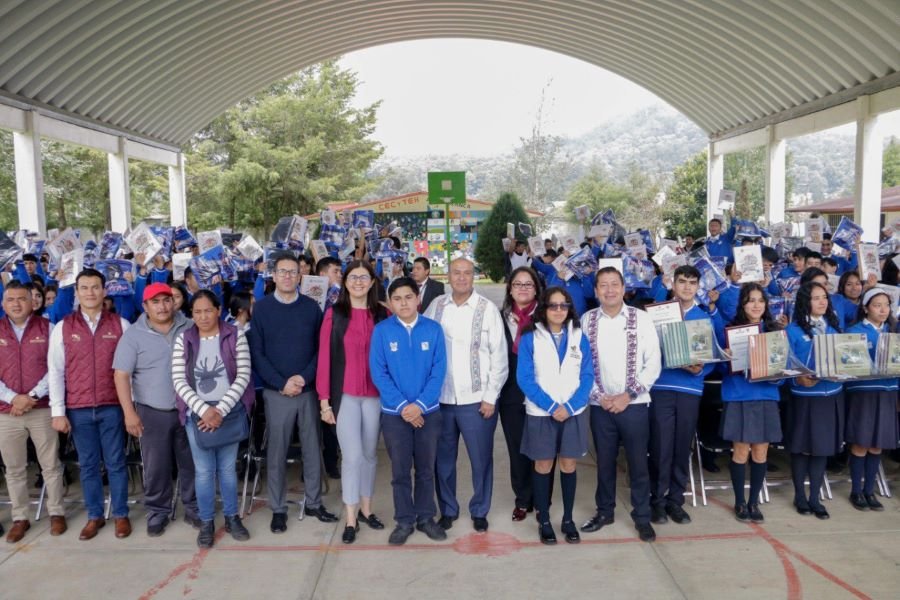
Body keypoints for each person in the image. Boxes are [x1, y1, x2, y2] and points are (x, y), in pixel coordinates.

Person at [248, 253, 337, 533]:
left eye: (292, 272)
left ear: (300, 276)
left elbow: (320, 350)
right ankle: (278, 508)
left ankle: (314, 502)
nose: (287, 276)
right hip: (277, 392)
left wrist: (303, 377)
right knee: (277, 451)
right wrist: (280, 382)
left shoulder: (312, 308)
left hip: (307, 389)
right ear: (273, 276)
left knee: (312, 448)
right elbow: (257, 354)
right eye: (282, 272)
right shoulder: (261, 310)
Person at [425, 257, 508, 533]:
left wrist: (490, 396)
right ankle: (448, 509)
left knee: (481, 458)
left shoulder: (487, 310)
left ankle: (480, 509)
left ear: (475, 276)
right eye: (456, 273)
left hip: (477, 401)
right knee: (443, 460)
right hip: (441, 401)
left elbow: (500, 358)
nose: (461, 278)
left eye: (467, 273)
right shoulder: (436, 307)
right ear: (448, 276)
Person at [48, 268, 132, 541]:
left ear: (104, 290)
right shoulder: (63, 328)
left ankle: (120, 515)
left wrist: (130, 407)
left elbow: (130, 372)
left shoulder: (121, 325)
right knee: (88, 465)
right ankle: (94, 515)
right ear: (77, 293)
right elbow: (56, 371)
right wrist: (58, 411)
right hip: (79, 408)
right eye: (84, 288)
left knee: (116, 462)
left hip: (112, 406)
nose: (90, 292)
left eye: (95, 287)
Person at [580, 267, 661, 543]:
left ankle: (642, 517)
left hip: (634, 404)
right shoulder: (587, 320)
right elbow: (580, 365)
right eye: (603, 285)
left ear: (624, 288)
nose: (609, 290)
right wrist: (600, 396)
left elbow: (654, 363)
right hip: (601, 406)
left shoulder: (641, 319)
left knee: (638, 463)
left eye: (615, 284)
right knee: (604, 463)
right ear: (596, 291)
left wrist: (628, 395)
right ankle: (605, 512)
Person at [113, 282, 199, 537]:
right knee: (156, 466)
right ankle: (158, 512)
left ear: (174, 302)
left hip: (189, 409)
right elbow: (121, 375)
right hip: (152, 411)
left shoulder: (190, 327)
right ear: (146, 306)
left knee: (192, 463)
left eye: (166, 300)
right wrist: (129, 413)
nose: (162, 306)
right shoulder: (134, 335)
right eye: (155, 302)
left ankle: (193, 508)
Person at [369, 277, 447, 545]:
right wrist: (403, 407)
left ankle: (426, 517)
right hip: (395, 415)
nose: (403, 303)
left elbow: (438, 372)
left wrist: (420, 406)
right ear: (390, 303)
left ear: (418, 299)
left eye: (408, 297)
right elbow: (379, 372)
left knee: (426, 469)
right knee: (400, 471)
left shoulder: (433, 329)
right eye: (397, 298)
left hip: (428, 412)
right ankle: (404, 520)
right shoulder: (381, 331)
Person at [173, 291, 253, 548]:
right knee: (205, 471)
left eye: (208, 310)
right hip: (197, 415)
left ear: (218, 310)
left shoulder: (235, 334)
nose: (203, 316)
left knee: (228, 470)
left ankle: (232, 517)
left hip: (228, 411)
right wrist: (203, 410)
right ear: (191, 314)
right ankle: (207, 521)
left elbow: (243, 375)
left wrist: (219, 410)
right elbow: (179, 380)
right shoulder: (183, 339)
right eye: (197, 312)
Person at [317, 260, 388, 544]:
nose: (359, 282)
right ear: (344, 282)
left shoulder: (382, 315)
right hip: (345, 396)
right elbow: (324, 360)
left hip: (375, 396)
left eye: (364, 277)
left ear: (372, 282)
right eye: (353, 277)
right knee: (353, 457)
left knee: (371, 455)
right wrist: (324, 402)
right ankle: (350, 517)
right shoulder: (335, 315)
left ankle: (367, 510)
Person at [516, 287, 593, 544]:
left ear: (570, 308)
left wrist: (570, 407)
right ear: (544, 308)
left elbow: (588, 376)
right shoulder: (530, 337)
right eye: (553, 305)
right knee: (543, 465)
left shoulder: (579, 336)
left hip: (573, 412)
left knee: (569, 465)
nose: (559, 310)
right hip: (541, 412)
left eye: (564, 305)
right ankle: (545, 520)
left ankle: (568, 519)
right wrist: (551, 407)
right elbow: (524, 378)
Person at [649, 265, 723, 526]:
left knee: (682, 448)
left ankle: (675, 501)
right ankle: (657, 501)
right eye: (682, 281)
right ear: (673, 284)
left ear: (698, 286)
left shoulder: (705, 317)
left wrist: (702, 368)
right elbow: (648, 351)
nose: (687, 287)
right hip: (661, 387)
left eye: (692, 282)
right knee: (660, 447)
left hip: (690, 388)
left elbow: (715, 356)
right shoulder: (659, 314)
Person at [0, 281, 67, 542]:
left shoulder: (48, 329)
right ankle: (20, 517)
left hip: (40, 409)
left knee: (50, 465)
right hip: (6, 413)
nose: (16, 304)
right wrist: (13, 398)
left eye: (22, 299)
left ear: (32, 302)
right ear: (4, 303)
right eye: (11, 299)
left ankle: (57, 512)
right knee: (14, 468)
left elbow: (55, 368)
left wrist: (31, 396)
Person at [720, 283, 783, 523]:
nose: (756, 305)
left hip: (766, 396)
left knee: (760, 451)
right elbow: (719, 367)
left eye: (760, 300)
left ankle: (754, 501)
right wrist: (725, 358)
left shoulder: (775, 332)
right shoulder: (731, 330)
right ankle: (739, 501)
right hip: (739, 395)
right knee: (741, 451)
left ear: (766, 304)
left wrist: (776, 376)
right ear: (742, 304)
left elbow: (782, 370)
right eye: (750, 300)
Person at [785, 282, 843, 520]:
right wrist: (798, 380)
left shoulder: (835, 329)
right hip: (805, 397)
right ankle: (800, 496)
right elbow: (786, 364)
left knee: (822, 449)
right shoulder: (794, 329)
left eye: (824, 297)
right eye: (816, 298)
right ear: (805, 301)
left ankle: (815, 497)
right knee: (801, 448)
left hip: (830, 395)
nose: (822, 302)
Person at [844, 289, 899, 511]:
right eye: (877, 305)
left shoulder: (894, 333)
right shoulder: (855, 332)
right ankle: (856, 490)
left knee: (877, 444)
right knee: (861, 442)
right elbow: (848, 365)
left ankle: (869, 490)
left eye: (886, 305)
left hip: (887, 393)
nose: (883, 309)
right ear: (866, 308)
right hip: (864, 393)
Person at [498, 266, 544, 521]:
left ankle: (542, 499)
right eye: (518, 284)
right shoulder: (501, 317)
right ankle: (523, 499)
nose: (523, 288)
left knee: (542, 448)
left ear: (536, 288)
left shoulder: (548, 315)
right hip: (510, 392)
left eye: (528, 284)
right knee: (517, 449)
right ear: (510, 289)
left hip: (541, 390)